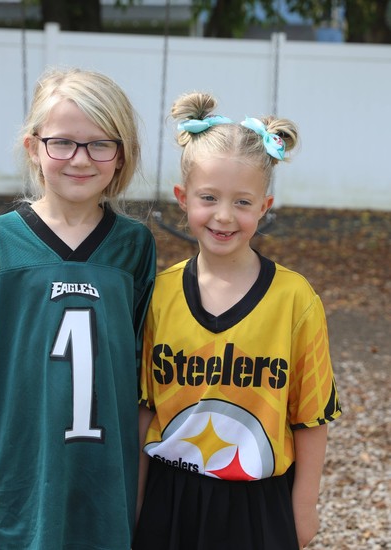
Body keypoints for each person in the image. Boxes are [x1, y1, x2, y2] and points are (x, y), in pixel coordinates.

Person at [0, 67, 156, 550]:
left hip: (108, 467)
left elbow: (143, 372)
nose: (80, 159)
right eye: (63, 143)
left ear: (121, 156)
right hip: (24, 465)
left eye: (100, 144)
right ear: (34, 146)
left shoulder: (134, 246)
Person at [133, 91, 342, 550]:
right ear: (183, 199)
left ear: (264, 207)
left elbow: (311, 417)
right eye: (209, 198)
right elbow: (145, 405)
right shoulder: (160, 295)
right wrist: (137, 496)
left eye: (243, 202)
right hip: (171, 494)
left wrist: (304, 506)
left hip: (259, 501)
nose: (224, 216)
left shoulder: (295, 299)